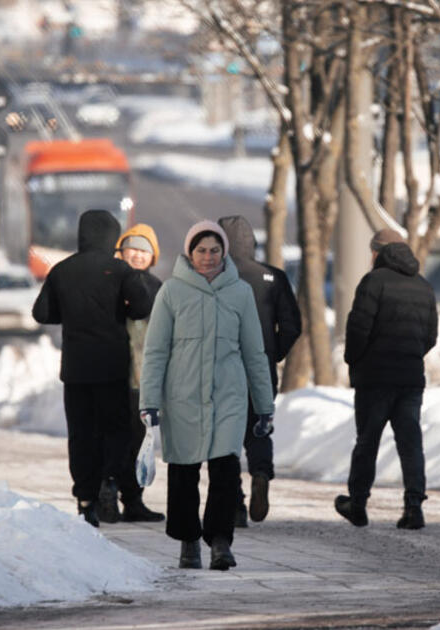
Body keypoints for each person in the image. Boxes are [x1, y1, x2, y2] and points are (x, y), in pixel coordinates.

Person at [139, 221, 274, 571]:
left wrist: (264, 405)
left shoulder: (240, 292)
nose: (208, 257)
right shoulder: (171, 292)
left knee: (225, 469)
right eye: (201, 250)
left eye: (215, 250)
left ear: (224, 252)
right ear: (189, 252)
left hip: (228, 395)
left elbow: (254, 352)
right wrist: (149, 401)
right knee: (184, 471)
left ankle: (220, 542)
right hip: (182, 394)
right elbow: (155, 351)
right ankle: (188, 541)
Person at [33, 209, 153, 528]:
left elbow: (42, 313)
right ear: (113, 236)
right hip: (112, 365)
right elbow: (142, 308)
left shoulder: (61, 270)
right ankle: (110, 479)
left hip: (76, 368)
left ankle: (85, 499)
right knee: (116, 429)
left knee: (82, 433)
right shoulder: (121, 271)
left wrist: (70, 313)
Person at [335, 229, 438, 530]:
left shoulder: (373, 282)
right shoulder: (424, 285)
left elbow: (358, 328)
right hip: (410, 378)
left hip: (375, 378)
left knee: (367, 441)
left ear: (378, 252)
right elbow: (430, 335)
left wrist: (354, 360)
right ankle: (414, 506)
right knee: (410, 442)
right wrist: (411, 355)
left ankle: (357, 504)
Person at [216, 216, 301, 526]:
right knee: (259, 426)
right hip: (260, 368)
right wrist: (272, 353)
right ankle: (261, 473)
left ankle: (235, 504)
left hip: (222, 370)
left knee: (224, 436)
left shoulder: (213, 277)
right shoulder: (273, 277)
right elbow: (292, 325)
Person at [97, 223, 167, 523]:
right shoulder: (107, 282)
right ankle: (108, 489)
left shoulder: (159, 288)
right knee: (114, 437)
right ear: (121, 251)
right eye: (133, 249)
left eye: (144, 250)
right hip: (113, 372)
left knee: (139, 440)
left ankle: (132, 498)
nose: (138, 255)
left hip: (143, 375)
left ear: (153, 256)